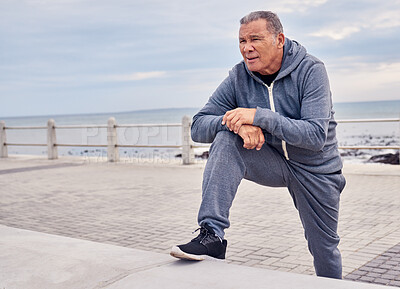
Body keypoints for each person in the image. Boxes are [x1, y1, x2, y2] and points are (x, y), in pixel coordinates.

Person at [170, 10, 346, 279]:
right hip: (272, 162)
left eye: (255, 39)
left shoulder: (311, 70)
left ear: (279, 40)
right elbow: (198, 126)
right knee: (227, 138)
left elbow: (314, 136)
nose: (247, 48)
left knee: (324, 248)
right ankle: (212, 235)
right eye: (241, 41)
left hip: (316, 170)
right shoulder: (239, 76)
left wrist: (259, 116)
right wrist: (238, 124)